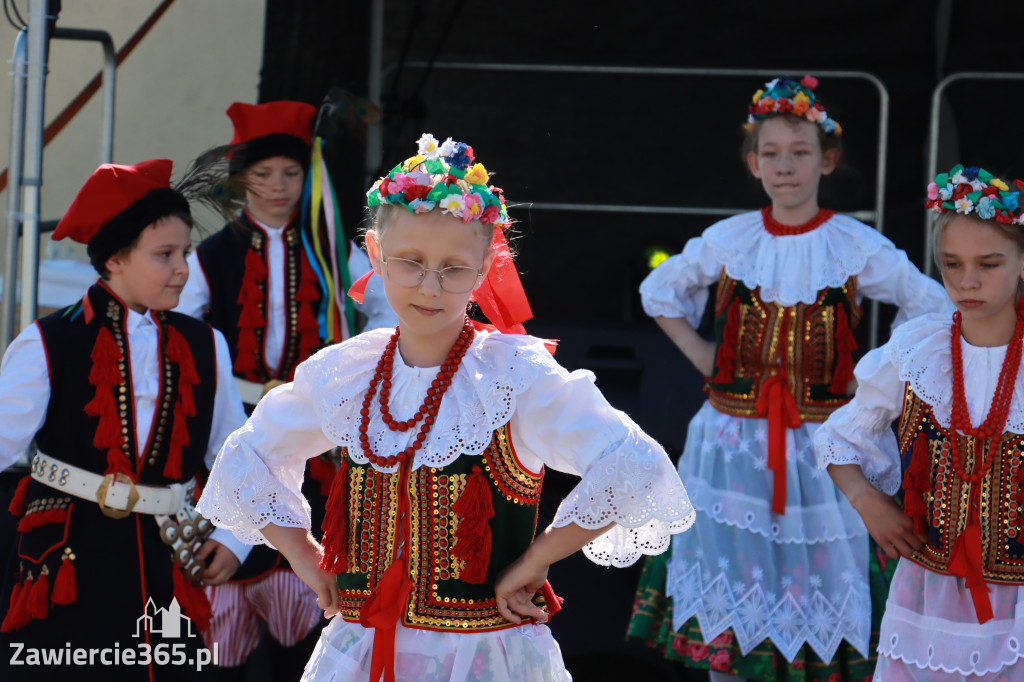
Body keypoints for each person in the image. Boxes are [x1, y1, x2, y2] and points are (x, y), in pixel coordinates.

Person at [196, 132, 695, 681]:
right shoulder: (347, 372)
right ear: (376, 255)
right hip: (361, 651)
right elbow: (249, 456)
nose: (430, 286)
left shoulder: (512, 375)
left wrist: (536, 560)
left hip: (480, 657)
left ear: (484, 271)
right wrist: (303, 555)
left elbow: (634, 465)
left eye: (453, 268)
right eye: (410, 262)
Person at [627, 76, 951, 681]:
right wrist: (702, 355)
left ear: (826, 161)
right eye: (771, 153)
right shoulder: (730, 239)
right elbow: (661, 289)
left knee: (819, 577)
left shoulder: (854, 244)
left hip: (822, 445)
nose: (785, 166)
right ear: (753, 164)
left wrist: (871, 381)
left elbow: (930, 304)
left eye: (800, 152)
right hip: (730, 443)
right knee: (733, 575)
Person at [0, 159, 250, 680]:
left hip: (168, 557)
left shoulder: (205, 344)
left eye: (184, 252)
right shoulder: (48, 341)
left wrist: (235, 537)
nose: (183, 267)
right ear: (114, 258)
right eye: (165, 255)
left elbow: (235, 452)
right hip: (68, 560)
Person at [815, 164, 1024, 680]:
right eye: (951, 264)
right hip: (927, 594)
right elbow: (839, 439)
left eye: (989, 264)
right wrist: (868, 503)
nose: (967, 280)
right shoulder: (917, 349)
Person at [175, 100, 357, 680]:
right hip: (240, 420)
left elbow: (379, 316)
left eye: (291, 173)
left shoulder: (334, 250)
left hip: (318, 432)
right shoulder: (212, 255)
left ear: (309, 176)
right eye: (263, 174)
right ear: (241, 179)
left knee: (313, 573)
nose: (278, 187)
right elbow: (183, 337)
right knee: (227, 588)